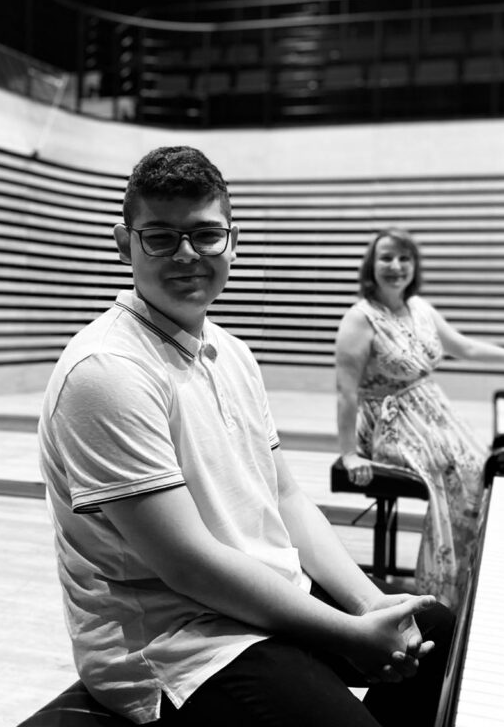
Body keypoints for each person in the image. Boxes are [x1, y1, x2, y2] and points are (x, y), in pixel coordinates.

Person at [37, 147, 454, 727]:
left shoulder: (234, 353)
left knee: (438, 632)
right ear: (123, 242)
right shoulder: (106, 370)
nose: (187, 255)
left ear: (232, 238)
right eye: (160, 237)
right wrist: (353, 635)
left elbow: (285, 498)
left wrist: (370, 605)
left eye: (206, 235)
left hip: (257, 596)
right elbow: (189, 566)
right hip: (175, 643)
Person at [335, 227, 504, 608]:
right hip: (389, 422)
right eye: (386, 257)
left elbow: (466, 347)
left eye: (405, 258)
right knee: (458, 470)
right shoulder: (360, 319)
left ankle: (473, 575)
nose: (396, 266)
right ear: (370, 265)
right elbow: (346, 390)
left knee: (484, 464)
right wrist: (349, 454)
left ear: (414, 266)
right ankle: (442, 592)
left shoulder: (421, 309)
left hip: (431, 410)